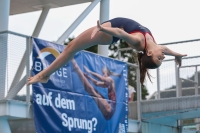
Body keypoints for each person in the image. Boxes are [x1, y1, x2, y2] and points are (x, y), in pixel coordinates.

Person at [27, 17, 187, 86]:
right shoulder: (154, 45)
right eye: (163, 57)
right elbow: (166, 49)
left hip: (108, 32)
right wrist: (177, 55)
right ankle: (45, 75)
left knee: (71, 48)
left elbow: (121, 33)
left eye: (161, 58)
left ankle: (44, 75)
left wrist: (103, 28)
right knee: (72, 48)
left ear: (150, 54)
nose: (163, 55)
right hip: (111, 25)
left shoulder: (139, 42)